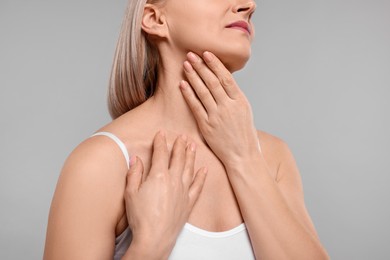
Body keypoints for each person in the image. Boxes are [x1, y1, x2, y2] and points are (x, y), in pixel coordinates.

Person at [44, 0, 329, 259]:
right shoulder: (100, 165)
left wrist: (244, 159)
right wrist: (149, 246)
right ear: (155, 19)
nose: (249, 5)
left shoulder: (272, 157)